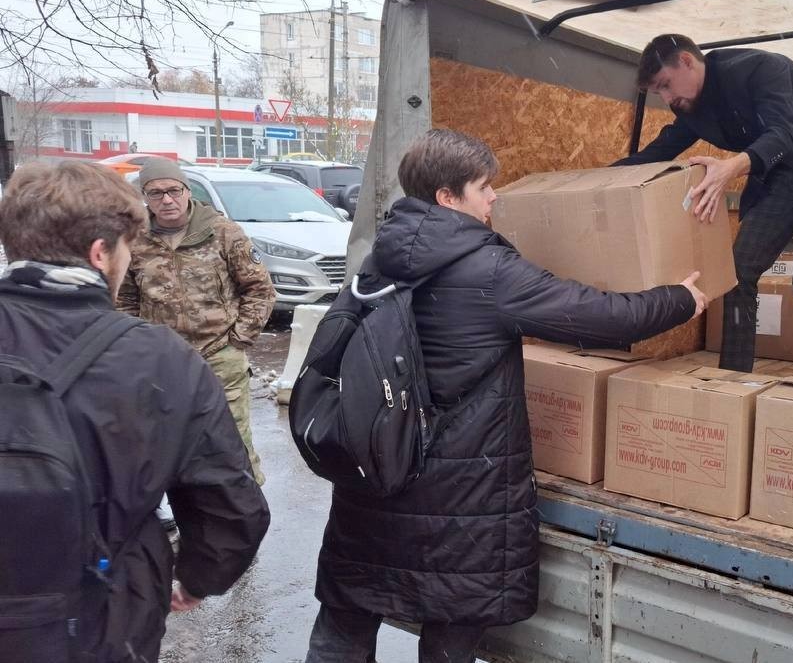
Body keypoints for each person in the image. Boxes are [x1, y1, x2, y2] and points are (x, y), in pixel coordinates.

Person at [305, 128, 708, 663]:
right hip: (459, 501)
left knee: (343, 629)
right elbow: (602, 318)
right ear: (449, 198)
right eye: (483, 187)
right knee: (449, 634)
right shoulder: (488, 270)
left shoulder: (380, 260)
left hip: (374, 479)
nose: (494, 197)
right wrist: (680, 298)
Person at [0, 162, 270, 662]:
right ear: (100, 254)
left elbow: (257, 288)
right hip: (102, 613)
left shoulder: (166, 348)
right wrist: (196, 579)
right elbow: (230, 504)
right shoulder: (161, 361)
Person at [612, 34, 793, 386]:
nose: (666, 98)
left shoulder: (760, 69)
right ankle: (733, 382)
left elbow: (782, 135)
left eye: (665, 85)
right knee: (737, 274)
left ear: (688, 62)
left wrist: (731, 166)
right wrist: (600, 177)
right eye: (658, 92)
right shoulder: (690, 106)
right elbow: (662, 148)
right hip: (783, 178)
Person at [117, 158, 276, 484]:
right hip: (163, 358)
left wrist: (239, 339)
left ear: (187, 191)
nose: (167, 199)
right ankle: (182, 509)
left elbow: (259, 290)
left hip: (219, 352)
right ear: (145, 197)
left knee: (232, 436)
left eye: (174, 190)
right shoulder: (135, 239)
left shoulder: (222, 232)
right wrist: (140, 344)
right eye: (155, 193)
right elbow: (125, 299)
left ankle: (246, 502)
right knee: (169, 438)